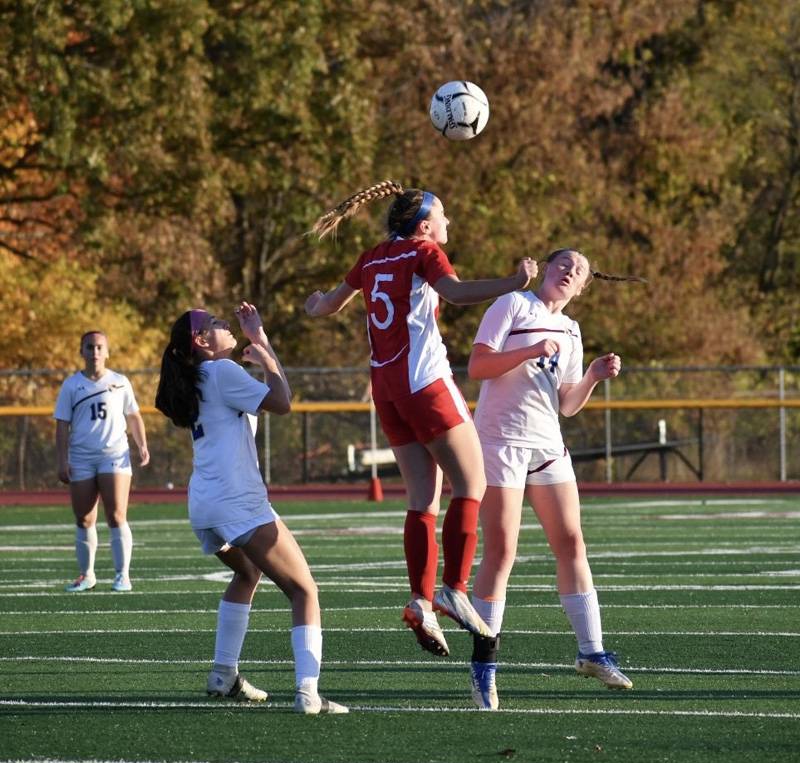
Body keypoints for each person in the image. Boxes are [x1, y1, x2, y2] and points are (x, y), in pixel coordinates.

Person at [305, 179, 537, 656]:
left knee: (422, 500)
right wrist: (514, 283)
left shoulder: (371, 257)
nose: (448, 223)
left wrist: (313, 305)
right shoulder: (422, 252)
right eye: (444, 216)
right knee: (473, 485)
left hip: (387, 392)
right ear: (425, 226)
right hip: (425, 383)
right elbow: (453, 293)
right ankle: (453, 586)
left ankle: (421, 601)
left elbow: (327, 305)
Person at [467, 248, 645, 709]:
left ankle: (592, 654)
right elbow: (478, 367)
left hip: (548, 444)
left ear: (584, 287)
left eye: (580, 271)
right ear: (546, 268)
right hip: (500, 441)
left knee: (571, 543)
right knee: (502, 551)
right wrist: (529, 349)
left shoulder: (571, 329)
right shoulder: (511, 304)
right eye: (564, 264)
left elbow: (566, 403)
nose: (571, 272)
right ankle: (484, 666)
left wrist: (591, 377)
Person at [154, 301, 347, 714]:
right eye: (217, 324)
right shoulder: (222, 371)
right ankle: (308, 693)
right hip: (237, 502)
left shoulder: (199, 376)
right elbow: (283, 401)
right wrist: (263, 347)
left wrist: (260, 342)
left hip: (204, 504)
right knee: (304, 590)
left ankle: (223, 674)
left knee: (247, 572)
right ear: (202, 341)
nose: (226, 325)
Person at [54, 331, 150, 593]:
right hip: (82, 458)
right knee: (84, 518)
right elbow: (62, 425)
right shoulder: (71, 385)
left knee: (117, 514)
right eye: (89, 347)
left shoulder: (120, 381)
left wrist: (142, 445)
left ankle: (123, 575)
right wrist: (62, 461)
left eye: (99, 347)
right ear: (81, 351)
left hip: (114, 455)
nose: (95, 352)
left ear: (107, 352)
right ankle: (87, 576)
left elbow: (134, 416)